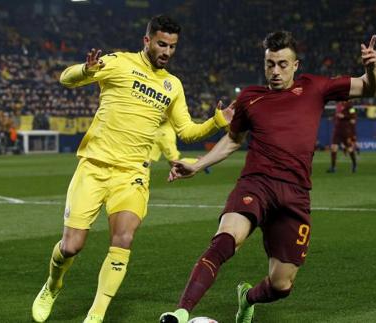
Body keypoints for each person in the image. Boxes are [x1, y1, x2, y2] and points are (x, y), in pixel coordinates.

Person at [159, 30, 376, 323]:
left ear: (296, 65)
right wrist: (198, 165)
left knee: (281, 285)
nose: (275, 71)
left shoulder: (316, 87)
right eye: (270, 64)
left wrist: (370, 68)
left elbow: (369, 88)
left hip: (295, 194)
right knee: (225, 240)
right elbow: (234, 140)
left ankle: (247, 298)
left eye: (282, 64)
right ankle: (181, 312)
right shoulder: (250, 97)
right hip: (257, 182)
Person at [31, 15, 232, 323]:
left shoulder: (172, 86)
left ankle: (95, 316)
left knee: (123, 239)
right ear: (147, 41)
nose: (166, 51)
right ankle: (52, 284)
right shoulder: (119, 63)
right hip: (94, 167)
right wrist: (86, 70)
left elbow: (186, 131)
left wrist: (217, 122)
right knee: (71, 247)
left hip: (132, 174)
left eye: (172, 46)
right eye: (162, 44)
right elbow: (66, 79)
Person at [327, 100, 358, 173]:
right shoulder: (338, 104)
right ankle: (333, 167)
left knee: (349, 148)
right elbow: (337, 115)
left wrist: (344, 116)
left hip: (345, 131)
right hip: (337, 131)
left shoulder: (350, 105)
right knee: (334, 148)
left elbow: (353, 115)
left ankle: (354, 165)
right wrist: (333, 118)